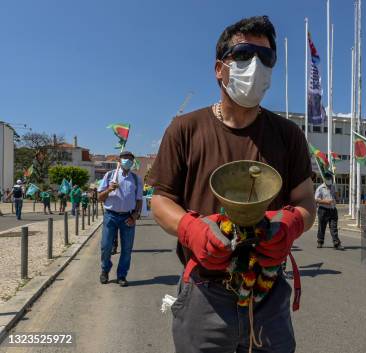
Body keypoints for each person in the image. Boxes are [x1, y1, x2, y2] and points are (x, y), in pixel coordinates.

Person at [149, 16, 315, 353]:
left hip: (269, 295)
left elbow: (306, 202)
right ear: (219, 68)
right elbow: (160, 198)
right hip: (204, 294)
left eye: (266, 58)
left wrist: (292, 223)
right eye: (243, 55)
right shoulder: (185, 129)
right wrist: (191, 230)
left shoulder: (289, 135)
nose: (255, 66)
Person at [98, 151, 143, 287]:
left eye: (130, 159)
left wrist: (135, 216)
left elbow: (139, 200)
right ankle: (105, 270)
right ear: (119, 160)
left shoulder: (136, 179)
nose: (128, 161)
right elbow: (100, 197)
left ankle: (122, 275)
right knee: (106, 247)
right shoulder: (110, 175)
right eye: (125, 159)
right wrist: (109, 189)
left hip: (127, 217)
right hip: (110, 215)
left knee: (127, 249)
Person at [314, 172, 344, 250]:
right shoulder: (320, 188)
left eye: (330, 179)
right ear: (325, 179)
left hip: (333, 209)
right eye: (327, 179)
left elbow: (337, 198)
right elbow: (316, 199)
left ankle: (336, 243)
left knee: (334, 227)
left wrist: (337, 195)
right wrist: (325, 201)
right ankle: (320, 241)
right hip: (323, 210)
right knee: (322, 226)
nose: (329, 180)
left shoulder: (334, 187)